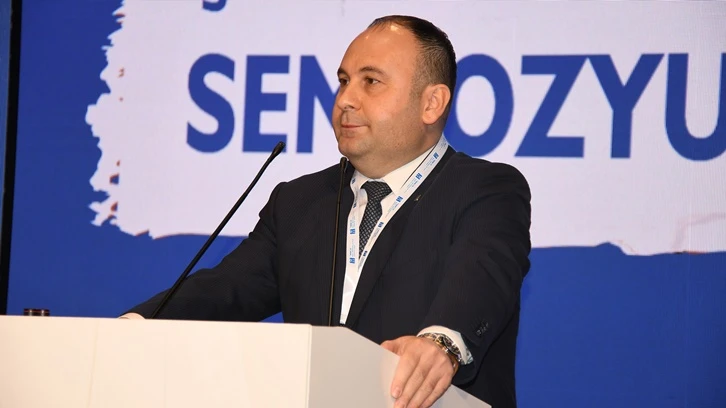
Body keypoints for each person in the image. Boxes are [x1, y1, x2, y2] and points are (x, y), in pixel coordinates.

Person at [124, 15, 531, 408]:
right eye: (343, 81)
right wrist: (132, 329)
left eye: (371, 81)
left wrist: (441, 344)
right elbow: (224, 290)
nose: (345, 99)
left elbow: (482, 277)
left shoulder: (486, 190)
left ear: (431, 103)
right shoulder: (300, 202)